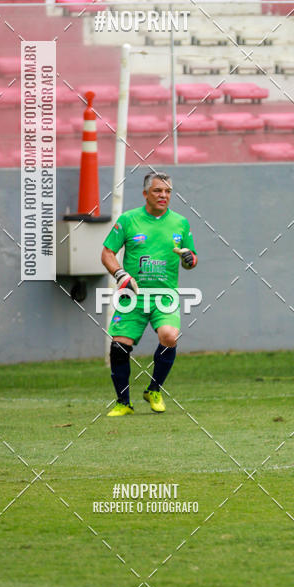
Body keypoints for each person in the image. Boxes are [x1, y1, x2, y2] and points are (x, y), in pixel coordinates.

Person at [101, 170, 197, 416]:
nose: (163, 195)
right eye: (157, 191)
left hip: (164, 296)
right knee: (119, 347)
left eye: (167, 191)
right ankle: (123, 403)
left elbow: (191, 259)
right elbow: (107, 253)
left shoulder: (181, 223)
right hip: (132, 296)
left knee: (169, 336)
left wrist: (189, 258)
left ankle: (154, 389)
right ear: (145, 194)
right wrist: (121, 274)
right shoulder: (128, 220)